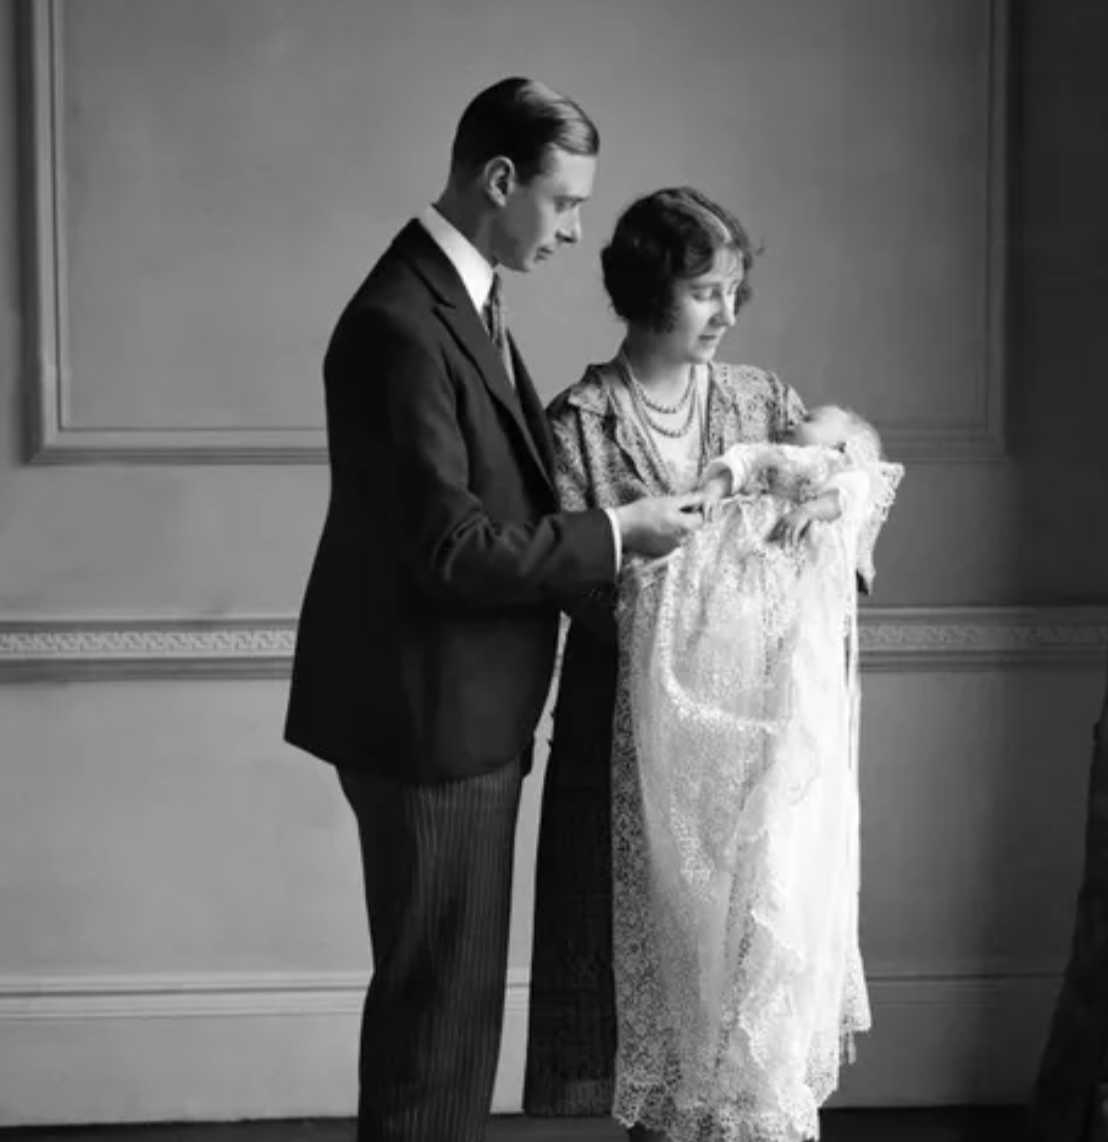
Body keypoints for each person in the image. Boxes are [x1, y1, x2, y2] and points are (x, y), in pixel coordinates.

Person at [284, 80, 704, 1142]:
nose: (574, 231)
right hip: (430, 718)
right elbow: (451, 549)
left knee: (452, 1004)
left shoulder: (456, 299)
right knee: (438, 1013)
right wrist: (617, 533)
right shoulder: (400, 322)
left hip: (459, 710)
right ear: (500, 178)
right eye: (564, 205)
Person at [523, 187, 896, 1140]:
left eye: (735, 291)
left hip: (756, 739)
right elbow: (581, 584)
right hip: (625, 732)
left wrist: (826, 507)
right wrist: (699, 572)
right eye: (704, 293)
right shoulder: (580, 423)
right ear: (649, 291)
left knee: (746, 989)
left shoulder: (759, 399)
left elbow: (844, 472)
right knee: (648, 988)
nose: (727, 314)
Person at [615, 405, 903, 1142]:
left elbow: (862, 488)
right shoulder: (767, 449)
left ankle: (760, 1094)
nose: (803, 413)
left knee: (779, 864)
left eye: (823, 418)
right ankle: (714, 1088)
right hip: (733, 638)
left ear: (840, 442)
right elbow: (734, 464)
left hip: (789, 661)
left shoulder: (838, 470)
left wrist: (819, 507)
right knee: (716, 866)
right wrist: (717, 490)